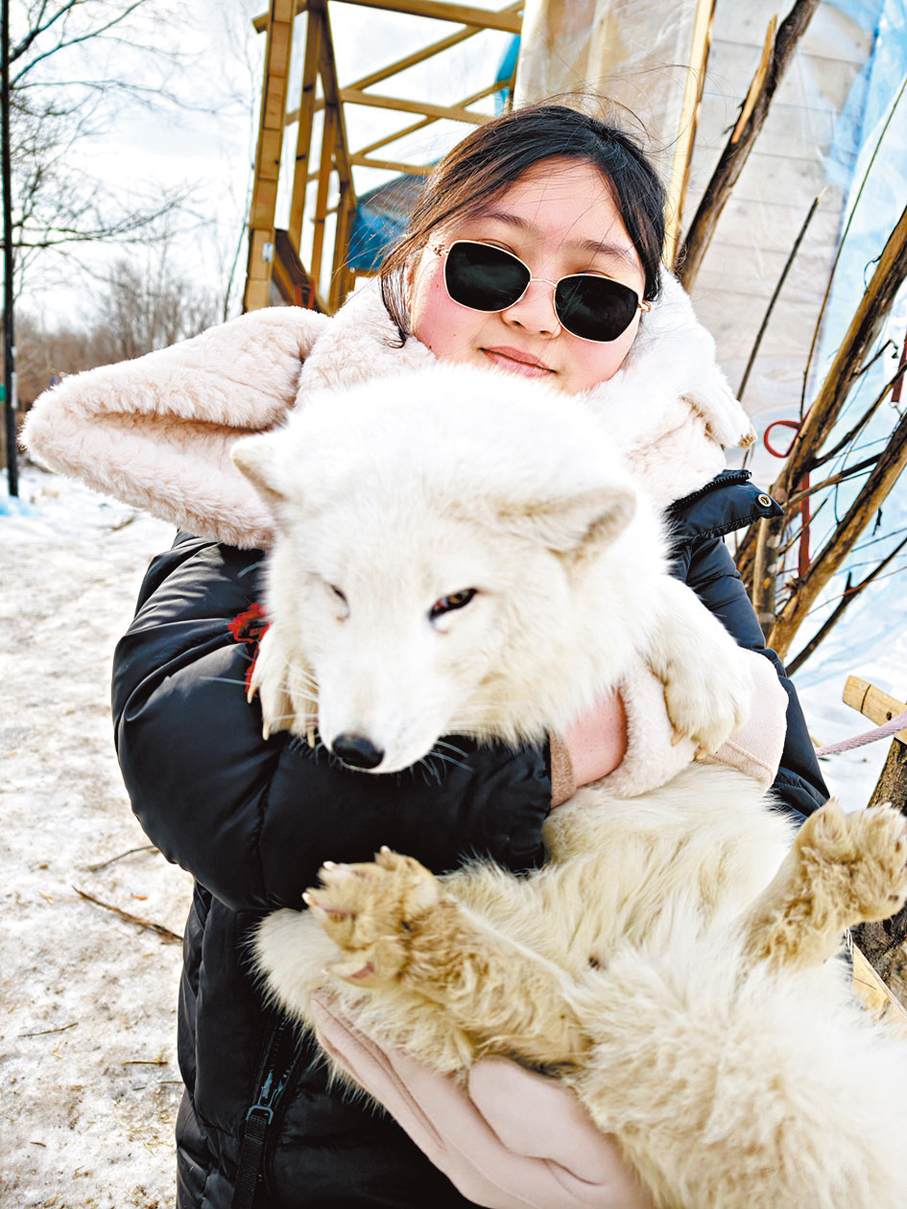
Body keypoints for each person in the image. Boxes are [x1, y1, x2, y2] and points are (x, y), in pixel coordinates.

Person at [23, 102, 828, 1209]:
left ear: (635, 327)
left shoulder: (662, 505)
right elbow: (230, 802)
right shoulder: (298, 460)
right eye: (491, 266)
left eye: (592, 296)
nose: (537, 318)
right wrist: (599, 738)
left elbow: (781, 791)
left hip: (611, 1114)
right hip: (312, 1152)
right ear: (417, 266)